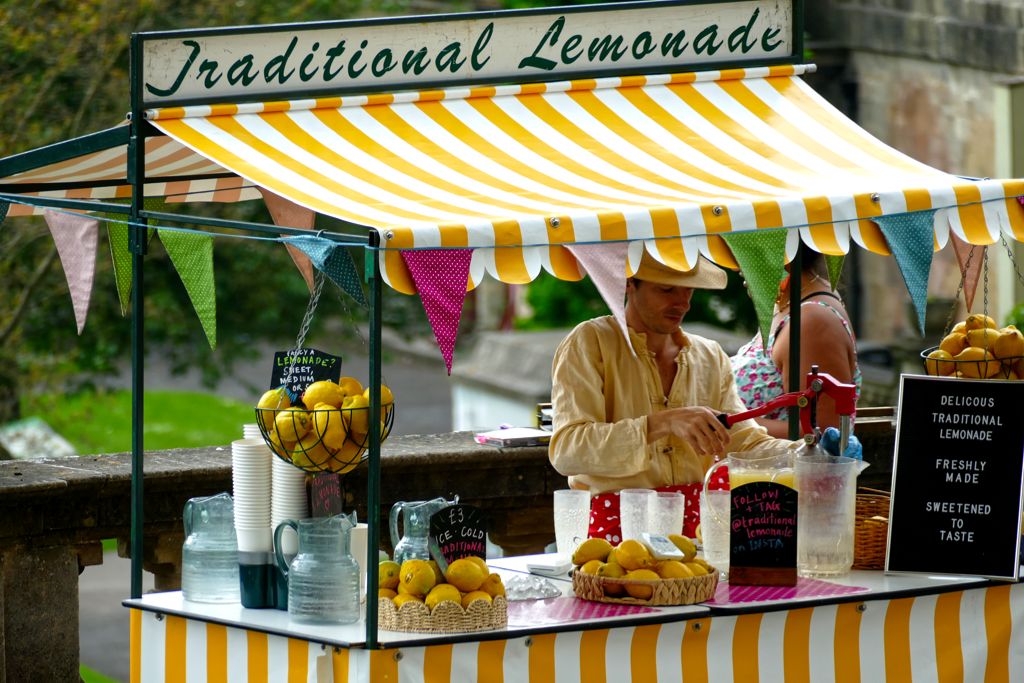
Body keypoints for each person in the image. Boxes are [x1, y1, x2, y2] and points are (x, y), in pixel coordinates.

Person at [548, 251, 794, 543]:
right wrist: (663, 423)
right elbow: (567, 452)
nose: (683, 303)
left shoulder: (710, 355)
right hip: (614, 539)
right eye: (666, 289)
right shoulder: (590, 342)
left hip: (696, 534)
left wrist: (806, 454)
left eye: (689, 289)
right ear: (629, 282)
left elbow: (743, 442)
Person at [731, 245, 861, 438]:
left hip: (787, 467)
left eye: (744, 249)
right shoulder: (790, 303)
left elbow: (825, 432)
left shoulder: (812, 319)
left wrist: (728, 421)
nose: (734, 267)